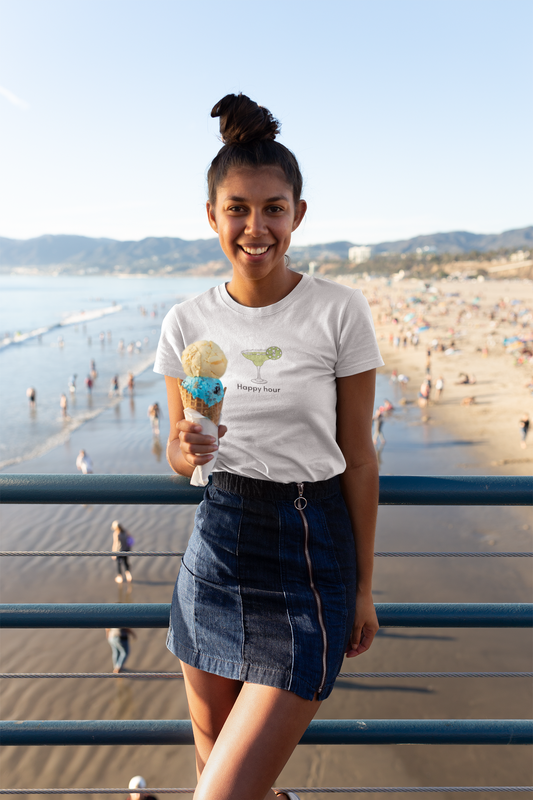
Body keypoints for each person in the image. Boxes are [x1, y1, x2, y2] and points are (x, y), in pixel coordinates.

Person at [154, 93, 383, 800]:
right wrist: (190, 450)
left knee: (220, 793)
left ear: (298, 215)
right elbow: (175, 454)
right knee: (220, 779)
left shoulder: (338, 311)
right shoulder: (186, 321)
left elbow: (359, 456)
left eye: (273, 208)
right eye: (238, 209)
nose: (256, 227)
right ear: (212, 217)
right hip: (216, 548)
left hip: (311, 550)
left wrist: (365, 587)